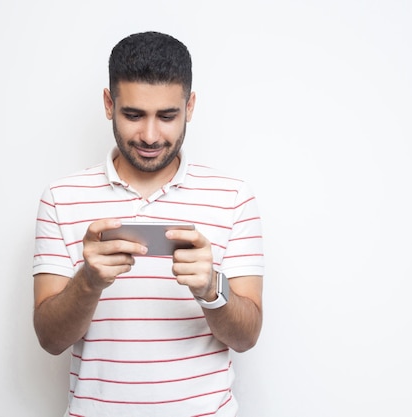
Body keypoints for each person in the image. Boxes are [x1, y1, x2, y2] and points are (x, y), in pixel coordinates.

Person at [32, 31, 264, 416]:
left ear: (190, 106)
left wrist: (211, 288)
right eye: (134, 114)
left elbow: (247, 335)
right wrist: (88, 282)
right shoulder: (60, 198)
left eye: (167, 115)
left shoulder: (234, 197)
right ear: (109, 104)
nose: (150, 135)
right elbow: (50, 339)